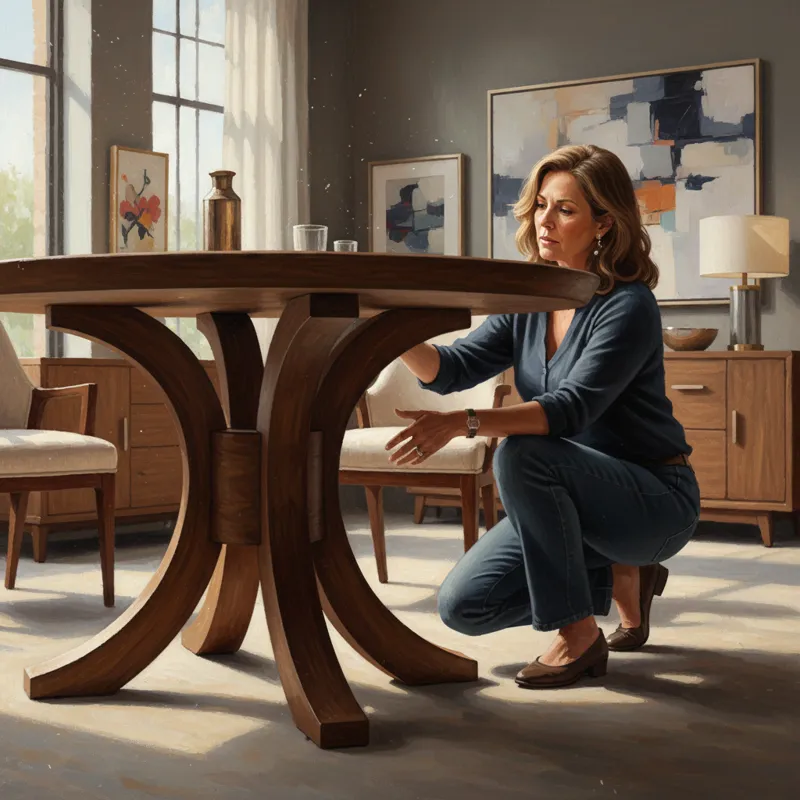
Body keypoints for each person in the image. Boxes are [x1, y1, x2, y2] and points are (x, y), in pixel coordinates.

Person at [384, 144, 701, 689]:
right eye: (541, 205)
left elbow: (571, 409)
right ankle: (615, 574)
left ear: (604, 223)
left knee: (522, 452)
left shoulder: (628, 306)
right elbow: (452, 368)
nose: (544, 221)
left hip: (653, 499)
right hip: (568, 501)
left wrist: (461, 423)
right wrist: (390, 326)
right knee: (465, 606)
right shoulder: (529, 300)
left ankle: (578, 634)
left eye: (565, 209)